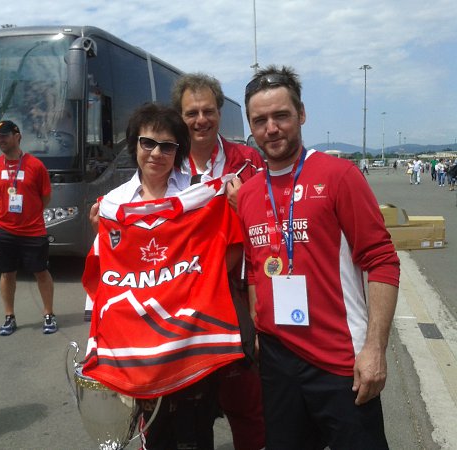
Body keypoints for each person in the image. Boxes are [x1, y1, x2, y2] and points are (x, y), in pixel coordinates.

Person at [238, 66, 400, 449]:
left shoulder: (338, 176)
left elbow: (382, 261)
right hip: (278, 360)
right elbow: (255, 270)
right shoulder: (246, 194)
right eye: (260, 120)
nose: (271, 128)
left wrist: (375, 349)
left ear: (301, 114)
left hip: (340, 360)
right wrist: (259, 332)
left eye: (281, 115)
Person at [82, 103, 245, 449]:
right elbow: (106, 275)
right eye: (148, 143)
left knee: (196, 433)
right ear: (135, 145)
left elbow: (229, 248)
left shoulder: (199, 195)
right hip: (141, 349)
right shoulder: (113, 204)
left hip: (190, 339)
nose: (156, 153)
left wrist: (201, 278)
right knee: (155, 435)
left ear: (178, 151)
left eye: (167, 146)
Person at [171, 72, 266, 450]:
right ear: (180, 116)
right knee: (190, 408)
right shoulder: (166, 161)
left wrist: (245, 206)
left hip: (234, 295)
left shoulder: (247, 160)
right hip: (181, 302)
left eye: (208, 111)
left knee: (245, 402)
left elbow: (269, 223)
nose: (201, 120)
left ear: (220, 112)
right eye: (191, 112)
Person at [0, 120, 57, 336]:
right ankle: (9, 317)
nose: (1, 140)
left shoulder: (35, 165)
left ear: (17, 136)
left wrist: (30, 214)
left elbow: (45, 197)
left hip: (33, 231)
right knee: (7, 273)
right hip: (4, 230)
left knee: (41, 272)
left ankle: (49, 314)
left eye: (5, 135)